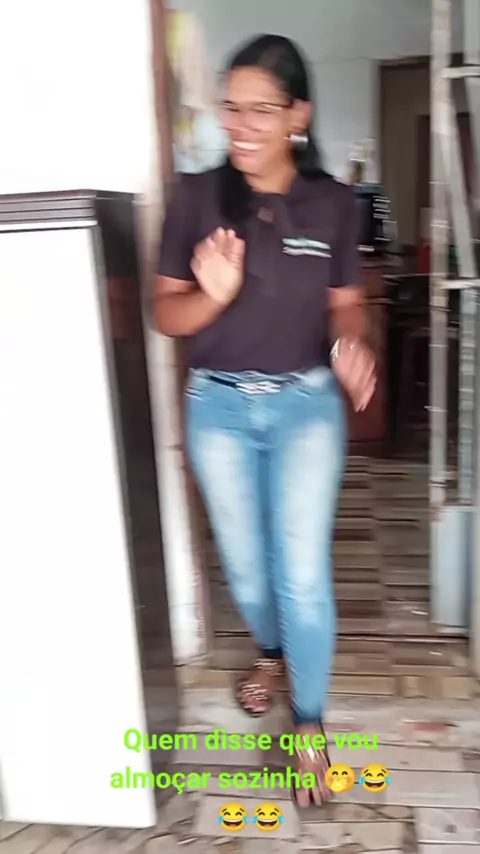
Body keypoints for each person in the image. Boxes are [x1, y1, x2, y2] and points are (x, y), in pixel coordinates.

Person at [154, 33, 376, 808]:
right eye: (230, 108)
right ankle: (272, 656)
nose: (240, 125)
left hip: (305, 405)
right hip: (216, 406)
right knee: (248, 572)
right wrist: (212, 295)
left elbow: (346, 304)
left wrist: (351, 343)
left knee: (301, 573)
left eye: (260, 110)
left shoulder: (334, 204)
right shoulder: (196, 197)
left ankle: (308, 721)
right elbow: (164, 313)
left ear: (298, 116)